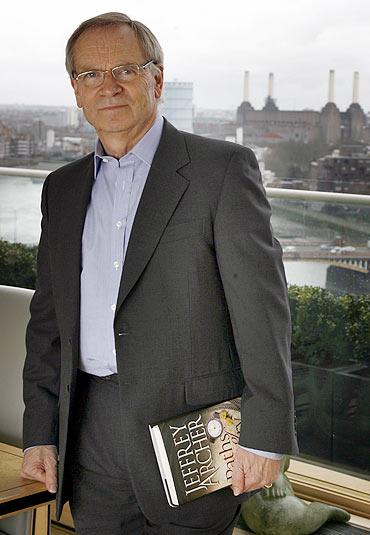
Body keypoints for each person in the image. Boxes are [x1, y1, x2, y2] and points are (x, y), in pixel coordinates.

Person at [21, 12, 299, 535]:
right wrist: (40, 431)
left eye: (126, 69)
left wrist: (265, 437)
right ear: (76, 92)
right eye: (90, 75)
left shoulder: (221, 170)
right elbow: (48, 325)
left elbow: (262, 313)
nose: (109, 86)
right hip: (92, 432)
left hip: (197, 429)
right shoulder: (61, 188)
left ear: (158, 79)